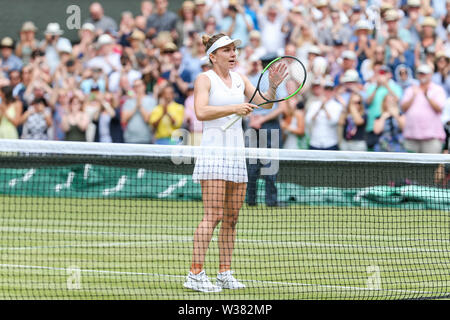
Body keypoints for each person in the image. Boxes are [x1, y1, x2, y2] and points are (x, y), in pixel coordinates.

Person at [185, 33, 287, 293]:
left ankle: (224, 273)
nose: (233, 54)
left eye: (234, 50)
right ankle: (195, 274)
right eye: (227, 50)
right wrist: (235, 109)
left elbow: (263, 102)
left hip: (235, 155)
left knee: (231, 218)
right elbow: (201, 111)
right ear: (213, 56)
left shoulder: (240, 79)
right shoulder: (204, 79)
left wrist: (273, 87)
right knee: (213, 215)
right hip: (213, 154)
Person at [400, 64, 447, 153]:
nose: (422, 76)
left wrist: (427, 96)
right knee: (410, 166)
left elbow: (439, 109)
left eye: (424, 74)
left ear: (430, 75)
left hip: (431, 137)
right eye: (420, 73)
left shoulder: (438, 90)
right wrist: (413, 96)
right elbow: (403, 108)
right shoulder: (411, 90)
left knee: (430, 166)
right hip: (411, 136)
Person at [305, 80, 343, 150]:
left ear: (333, 91)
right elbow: (308, 121)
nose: (328, 92)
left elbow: (333, 122)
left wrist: (324, 107)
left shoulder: (337, 106)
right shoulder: (314, 104)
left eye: (330, 90)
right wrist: (319, 108)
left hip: (331, 143)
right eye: (326, 89)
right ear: (323, 90)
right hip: (314, 142)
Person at [121, 78, 156, 144]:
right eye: (134, 86)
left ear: (144, 86)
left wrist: (139, 105)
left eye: (139, 86)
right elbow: (123, 120)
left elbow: (147, 119)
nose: (137, 88)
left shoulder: (151, 100)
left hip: (145, 138)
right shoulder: (128, 101)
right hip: (129, 138)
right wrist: (136, 106)